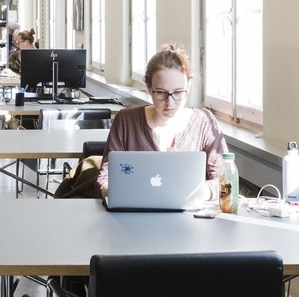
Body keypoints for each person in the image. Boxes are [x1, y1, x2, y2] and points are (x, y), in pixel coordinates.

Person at [95, 43, 227, 199]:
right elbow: (103, 180)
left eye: (178, 92)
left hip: (189, 217)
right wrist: (120, 192)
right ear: (149, 88)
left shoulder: (204, 122)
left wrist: (195, 192)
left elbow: (226, 181)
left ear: (188, 86)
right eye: (160, 93)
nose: (170, 102)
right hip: (134, 217)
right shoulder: (126, 121)